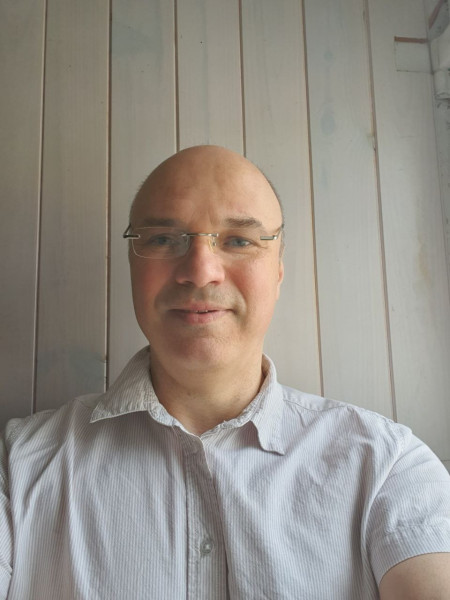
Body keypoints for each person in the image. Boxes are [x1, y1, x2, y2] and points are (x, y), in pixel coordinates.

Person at [1, 145, 450, 600]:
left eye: (239, 241)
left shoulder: (387, 466)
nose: (201, 272)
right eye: (163, 239)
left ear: (278, 271)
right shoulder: (16, 466)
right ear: (133, 263)